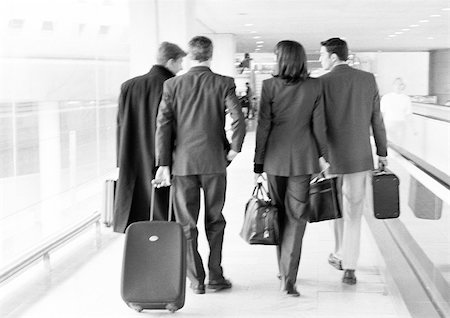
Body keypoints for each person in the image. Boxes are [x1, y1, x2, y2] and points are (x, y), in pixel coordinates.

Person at [154, 36, 246, 295]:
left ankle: (196, 281)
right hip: (215, 162)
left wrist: (163, 163)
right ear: (210, 55)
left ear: (191, 56)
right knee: (215, 220)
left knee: (187, 224)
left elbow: (163, 125)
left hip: (182, 164)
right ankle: (216, 276)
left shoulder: (172, 84)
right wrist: (234, 149)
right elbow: (238, 118)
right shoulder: (223, 83)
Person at [254, 40, 328, 297]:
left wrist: (258, 162)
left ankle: (283, 270)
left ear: (281, 59)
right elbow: (319, 125)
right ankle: (289, 278)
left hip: (274, 159)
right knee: (296, 219)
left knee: (279, 215)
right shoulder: (315, 85)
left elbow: (263, 126)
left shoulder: (268, 86)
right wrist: (323, 156)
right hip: (303, 159)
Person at [319, 38, 388, 285]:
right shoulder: (368, 80)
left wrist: (319, 155)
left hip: (331, 158)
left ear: (334, 57)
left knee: (335, 207)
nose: (321, 60)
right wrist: (382, 152)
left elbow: (318, 123)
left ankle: (339, 252)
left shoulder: (322, 83)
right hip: (360, 158)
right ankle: (349, 266)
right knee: (354, 212)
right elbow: (376, 120)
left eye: (323, 55)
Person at [113, 42, 186, 233]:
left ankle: (139, 243)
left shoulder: (129, 86)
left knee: (136, 204)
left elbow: (120, 124)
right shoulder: (173, 86)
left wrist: (120, 158)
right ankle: (164, 245)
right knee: (164, 207)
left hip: (131, 153)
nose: (182, 67)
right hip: (162, 155)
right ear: (170, 61)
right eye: (180, 62)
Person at [380, 77, 412, 143]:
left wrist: (413, 129)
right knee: (390, 145)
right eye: (396, 84)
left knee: (400, 144)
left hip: (401, 124)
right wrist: (380, 126)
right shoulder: (386, 97)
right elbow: (382, 113)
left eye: (400, 84)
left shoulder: (406, 99)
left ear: (403, 86)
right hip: (388, 124)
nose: (398, 86)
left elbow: (408, 115)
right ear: (393, 85)